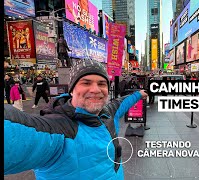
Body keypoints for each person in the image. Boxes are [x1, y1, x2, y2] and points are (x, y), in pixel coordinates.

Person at [4, 59, 148, 179]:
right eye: (86, 83)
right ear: (72, 89)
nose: (95, 89)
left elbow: (121, 102)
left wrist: (139, 94)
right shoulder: (57, 130)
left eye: (101, 84)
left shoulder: (108, 113)